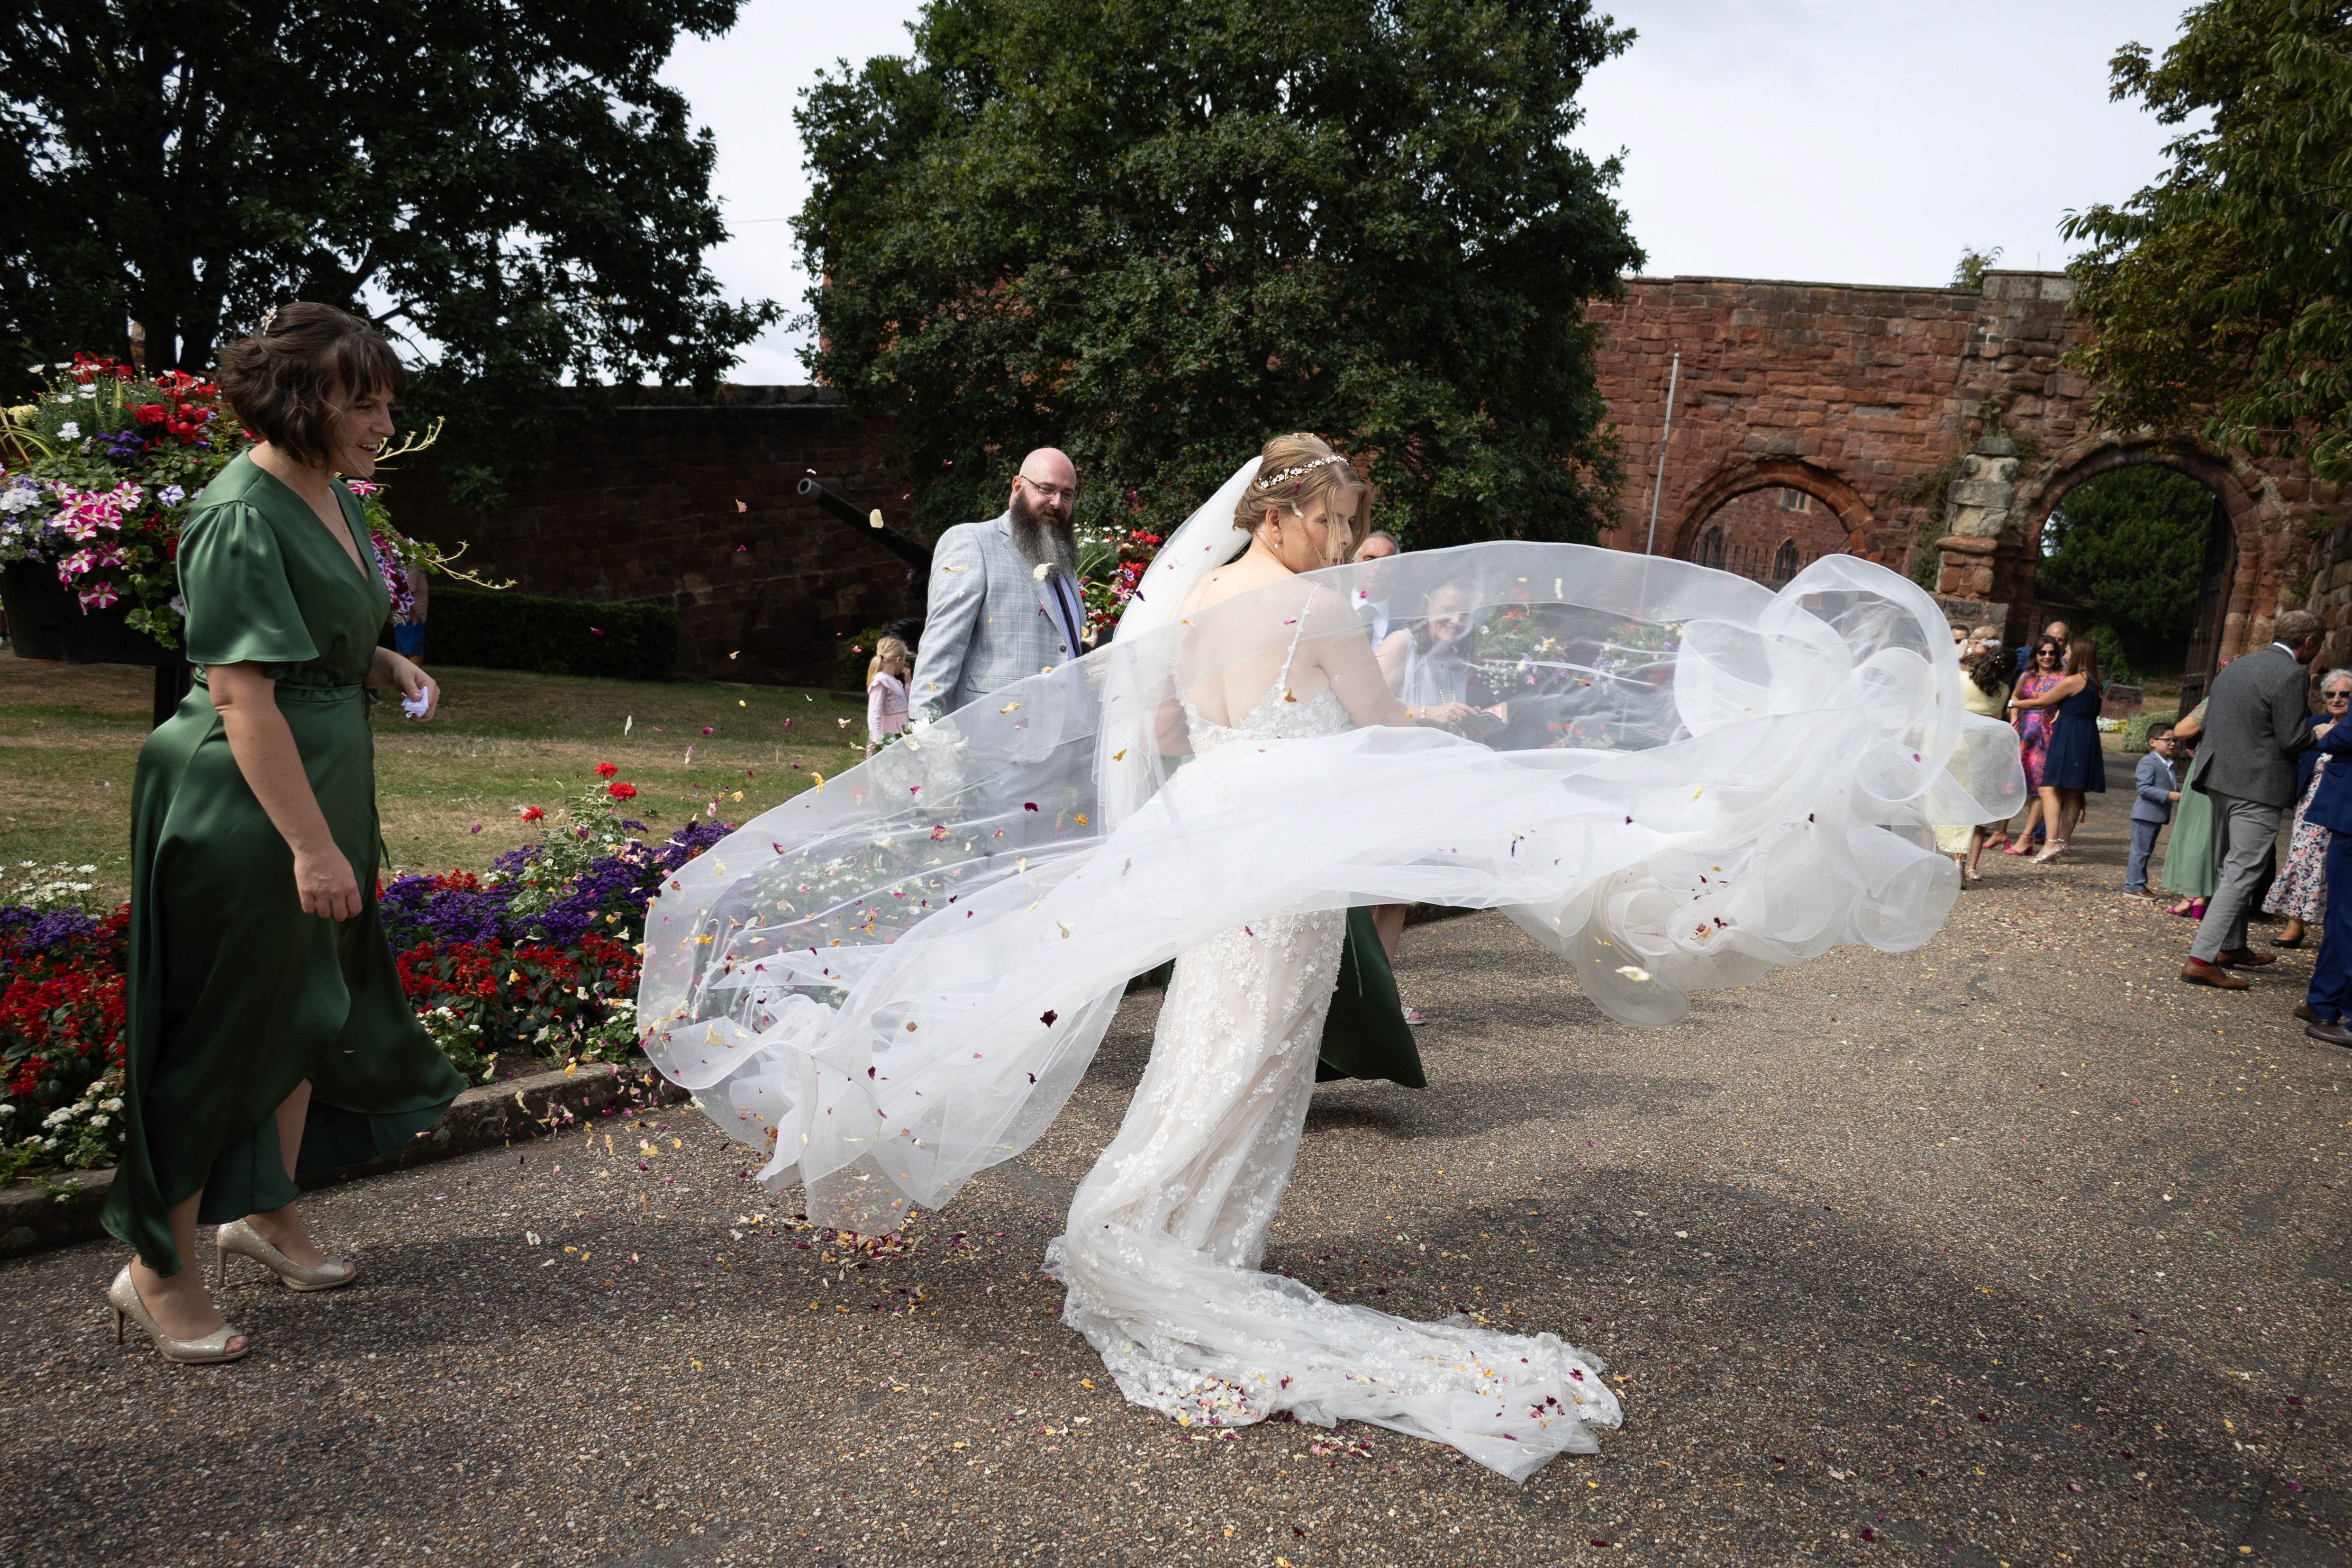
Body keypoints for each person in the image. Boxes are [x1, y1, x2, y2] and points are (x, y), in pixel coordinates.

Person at [100, 303, 464, 1363]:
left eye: (388, 396)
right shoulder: (236, 512)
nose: (385, 418)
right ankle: (155, 1271)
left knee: (307, 1007)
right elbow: (241, 695)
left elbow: (318, 638)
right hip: (250, 805)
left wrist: (385, 663)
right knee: (220, 1038)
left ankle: (264, 1212)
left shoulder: (332, 494)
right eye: (365, 399)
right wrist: (310, 846)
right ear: (304, 402)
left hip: (321, 782)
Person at [2179, 609, 2325, 989]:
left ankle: (2231, 946)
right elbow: (2291, 738)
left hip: (2218, 779)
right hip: (2257, 785)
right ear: (2309, 642)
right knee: (2242, 871)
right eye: (2318, 644)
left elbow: (2213, 721)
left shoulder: (2237, 666)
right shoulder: (2293, 673)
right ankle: (2201, 959)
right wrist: (2321, 732)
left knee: (2231, 867)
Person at [908, 448, 1085, 721]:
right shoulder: (972, 543)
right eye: (1046, 489)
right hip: (994, 742)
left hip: (1069, 741)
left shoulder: (1063, 560)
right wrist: (925, 744)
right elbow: (939, 656)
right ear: (1017, 487)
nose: (1057, 502)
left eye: (1067, 495)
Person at [2263, 668, 2352, 944]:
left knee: (2328, 865)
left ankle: (2331, 928)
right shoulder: (2316, 722)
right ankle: (2295, 923)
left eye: (2345, 694)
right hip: (2309, 804)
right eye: (2331, 694)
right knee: (2301, 859)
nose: (2337, 699)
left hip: (2340, 804)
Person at [2011, 636, 2108, 861]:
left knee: (2047, 789)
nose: (2064, 656)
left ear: (2078, 655)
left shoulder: (2073, 680)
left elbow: (2040, 702)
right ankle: (2062, 843)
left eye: (2067, 652)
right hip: (2085, 736)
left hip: (2069, 736)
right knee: (2072, 792)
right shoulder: (2095, 682)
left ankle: (2050, 843)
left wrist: (2012, 703)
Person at [2003, 638, 2066, 853]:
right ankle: (2000, 832)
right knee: (2012, 785)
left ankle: (2026, 837)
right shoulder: (2027, 676)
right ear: (2035, 655)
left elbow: (2067, 703)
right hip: (2023, 735)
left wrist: (2060, 713)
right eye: (2042, 653)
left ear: (2058, 655)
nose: (2047, 657)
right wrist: (2013, 720)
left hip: (2047, 737)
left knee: (2041, 789)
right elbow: (2014, 697)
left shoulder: (2063, 678)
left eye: (2052, 653)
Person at [2160, 699, 2218, 919]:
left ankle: (2194, 895)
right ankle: (2211, 894)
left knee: (2197, 830)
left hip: (2209, 764)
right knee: (2216, 833)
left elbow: (2182, 730)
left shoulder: (2222, 693)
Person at [2128, 725, 2182, 895]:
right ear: (2153, 742)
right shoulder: (2148, 761)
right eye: (2167, 740)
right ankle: (2134, 886)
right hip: (2146, 814)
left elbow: (2172, 788)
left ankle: (2138, 885)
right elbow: (2143, 788)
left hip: (2156, 815)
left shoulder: (2169, 764)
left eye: (2175, 740)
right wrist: (2169, 795)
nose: (2172, 744)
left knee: (2146, 851)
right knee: (2140, 852)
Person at [864, 635, 911, 753]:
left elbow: (909, 703)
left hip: (902, 730)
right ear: (898, 660)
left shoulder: (894, 681)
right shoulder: (881, 681)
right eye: (904, 661)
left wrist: (909, 683)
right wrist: (876, 741)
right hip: (891, 733)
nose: (904, 665)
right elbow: (875, 713)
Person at [2015, 618, 2070, 683]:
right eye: (2052, 638)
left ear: (2066, 641)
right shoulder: (2025, 655)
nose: (2056, 642)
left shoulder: (2067, 660)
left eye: (2060, 640)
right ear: (2045, 637)